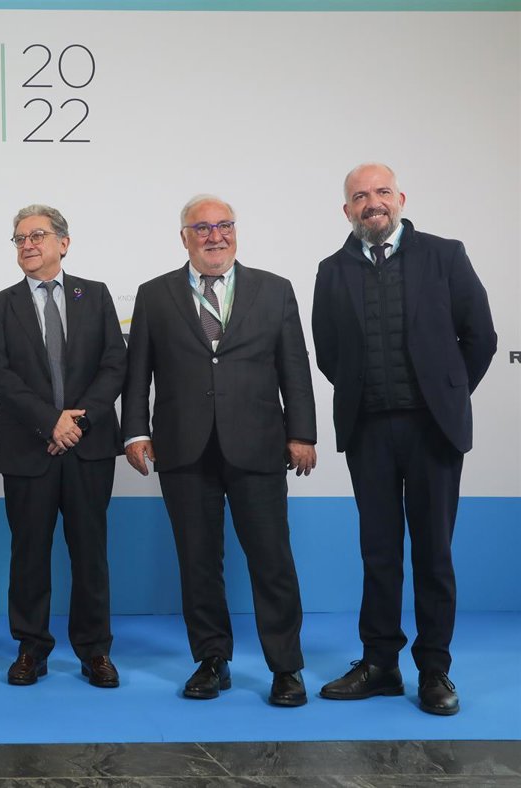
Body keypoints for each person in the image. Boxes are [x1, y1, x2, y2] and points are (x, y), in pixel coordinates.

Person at [312, 163, 496, 716]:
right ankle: (380, 664)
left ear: (401, 199)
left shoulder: (445, 255)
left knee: (433, 554)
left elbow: (480, 337)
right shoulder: (331, 270)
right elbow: (328, 352)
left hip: (432, 430)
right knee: (379, 553)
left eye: (382, 192)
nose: (372, 202)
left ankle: (434, 668)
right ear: (347, 209)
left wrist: (447, 393)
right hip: (368, 430)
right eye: (360, 196)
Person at [121, 195, 316, 707]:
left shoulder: (274, 289)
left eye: (223, 225)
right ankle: (212, 659)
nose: (215, 236)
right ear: (184, 237)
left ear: (236, 230)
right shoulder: (154, 294)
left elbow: (294, 367)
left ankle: (286, 667)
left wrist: (302, 434)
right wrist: (135, 432)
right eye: (202, 228)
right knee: (198, 561)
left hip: (259, 444)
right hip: (183, 448)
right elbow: (137, 372)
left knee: (272, 560)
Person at [0, 205, 126, 689]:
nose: (27, 245)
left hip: (88, 446)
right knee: (28, 555)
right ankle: (31, 648)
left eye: (36, 235)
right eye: (19, 238)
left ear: (63, 243)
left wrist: (77, 421)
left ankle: (95, 650)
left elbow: (115, 364)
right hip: (29, 450)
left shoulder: (95, 295)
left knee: (91, 553)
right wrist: (50, 422)